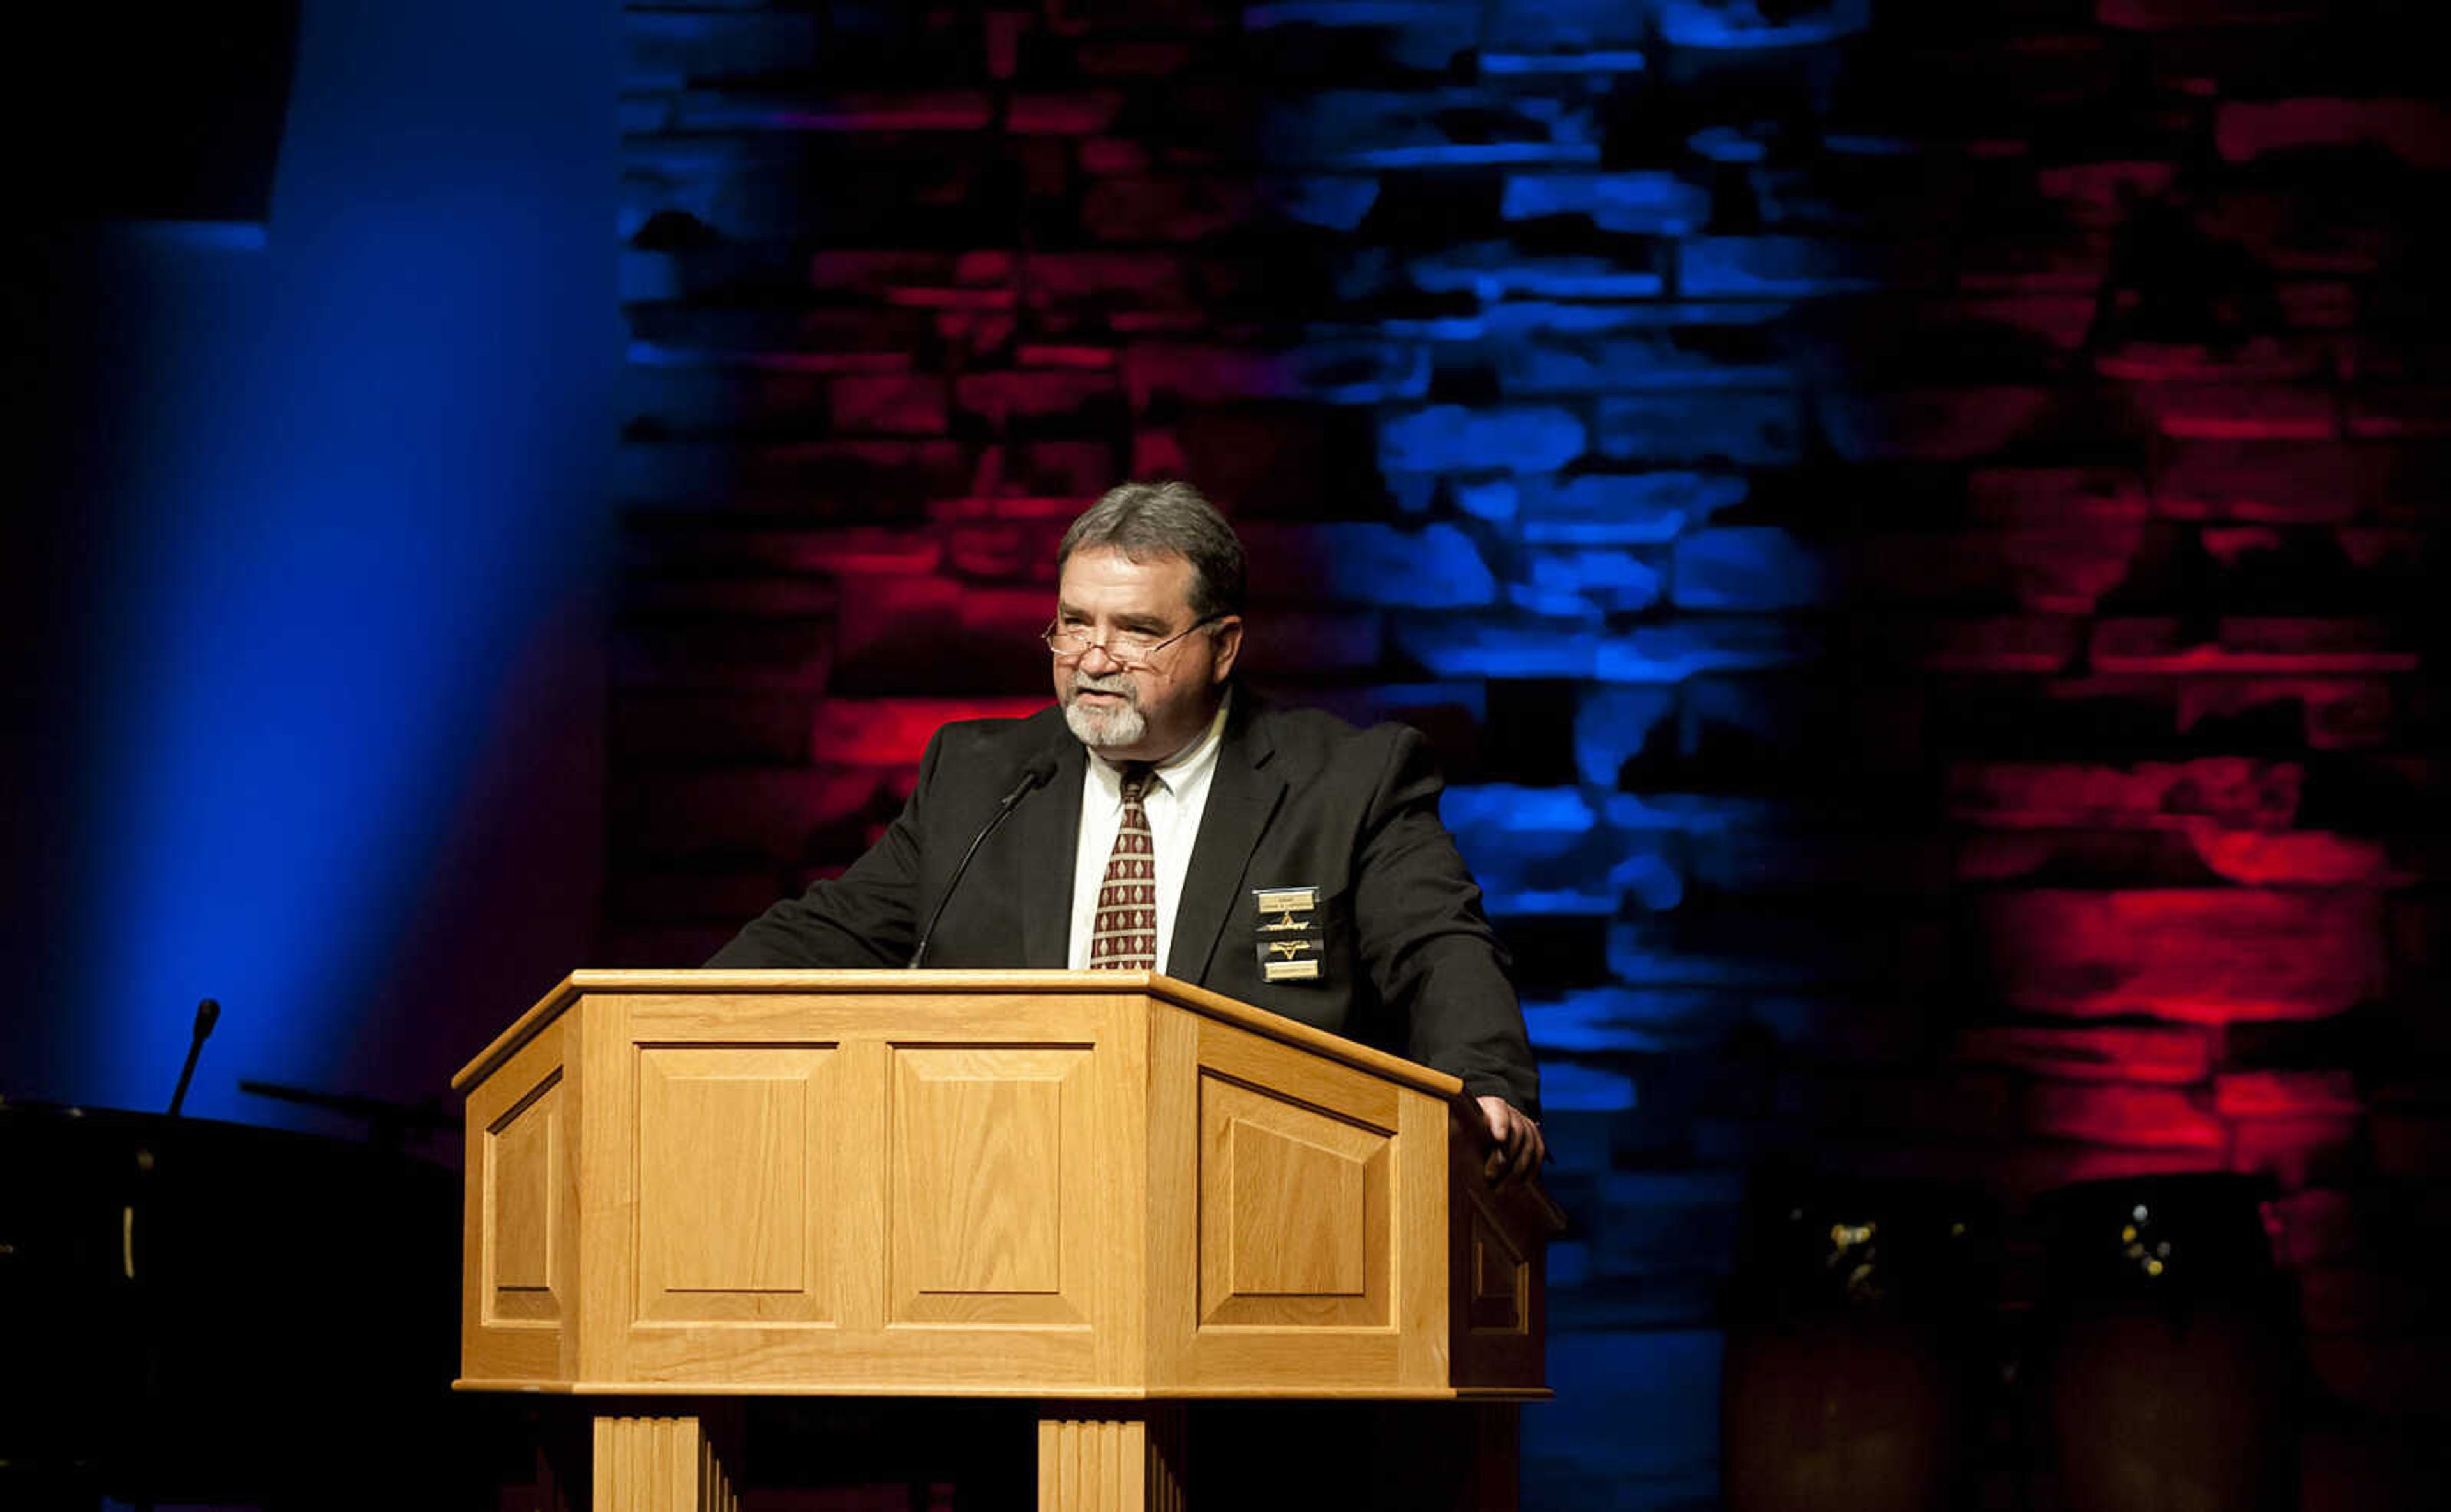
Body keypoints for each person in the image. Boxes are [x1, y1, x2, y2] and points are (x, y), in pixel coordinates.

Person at [708, 481, 1544, 1184]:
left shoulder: (1347, 782)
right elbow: (831, 931)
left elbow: (1442, 951)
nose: (1094, 657)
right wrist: (651, 1022)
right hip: (999, 1200)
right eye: (1075, 623)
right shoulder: (978, 776)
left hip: (1261, 1205)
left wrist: (1487, 1088)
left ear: (1223, 647)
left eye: (1137, 631)